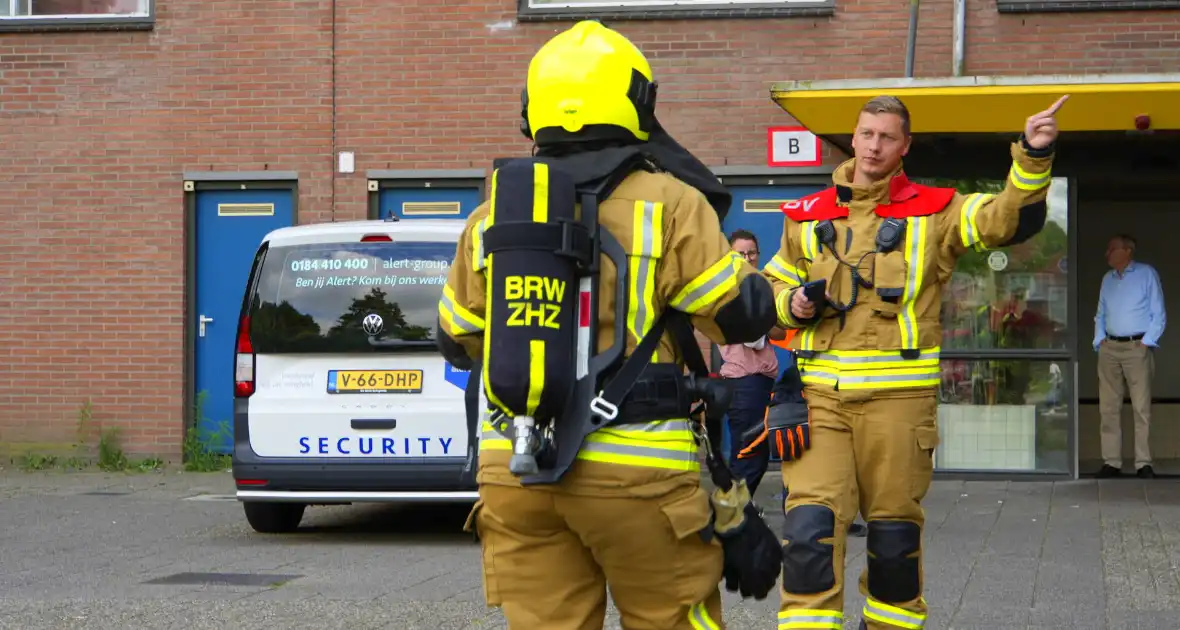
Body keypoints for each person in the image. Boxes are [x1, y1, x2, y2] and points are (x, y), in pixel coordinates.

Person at [436, 21, 780, 630]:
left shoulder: (491, 215)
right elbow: (741, 318)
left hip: (515, 468)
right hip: (636, 468)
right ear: (638, 103)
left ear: (531, 109)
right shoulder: (670, 201)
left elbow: (455, 339)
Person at [762, 93, 1066, 630]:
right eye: (866, 134)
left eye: (886, 136)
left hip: (899, 408)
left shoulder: (937, 208)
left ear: (905, 146)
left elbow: (1001, 219)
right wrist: (793, 303)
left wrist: (1033, 158)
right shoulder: (806, 216)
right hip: (819, 405)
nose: (874, 145)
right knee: (808, 533)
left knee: (893, 541)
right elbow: (771, 290)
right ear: (852, 138)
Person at [717, 229, 786, 496]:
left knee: (751, 454)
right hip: (743, 383)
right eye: (740, 253)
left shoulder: (760, 285)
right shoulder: (728, 288)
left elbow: (780, 333)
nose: (747, 258)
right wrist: (766, 322)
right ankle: (732, 517)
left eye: (752, 253)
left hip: (761, 382)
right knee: (748, 455)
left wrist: (764, 322)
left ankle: (736, 515)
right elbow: (752, 337)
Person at [1094, 233, 1166, 479]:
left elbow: (1159, 312)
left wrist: (1146, 343)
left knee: (1141, 408)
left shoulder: (1147, 274)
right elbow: (1100, 312)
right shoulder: (1107, 279)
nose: (1107, 254)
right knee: (1108, 407)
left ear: (1127, 251)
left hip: (1137, 347)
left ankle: (1143, 463)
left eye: (1111, 249)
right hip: (1109, 348)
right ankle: (1111, 462)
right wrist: (1099, 339)